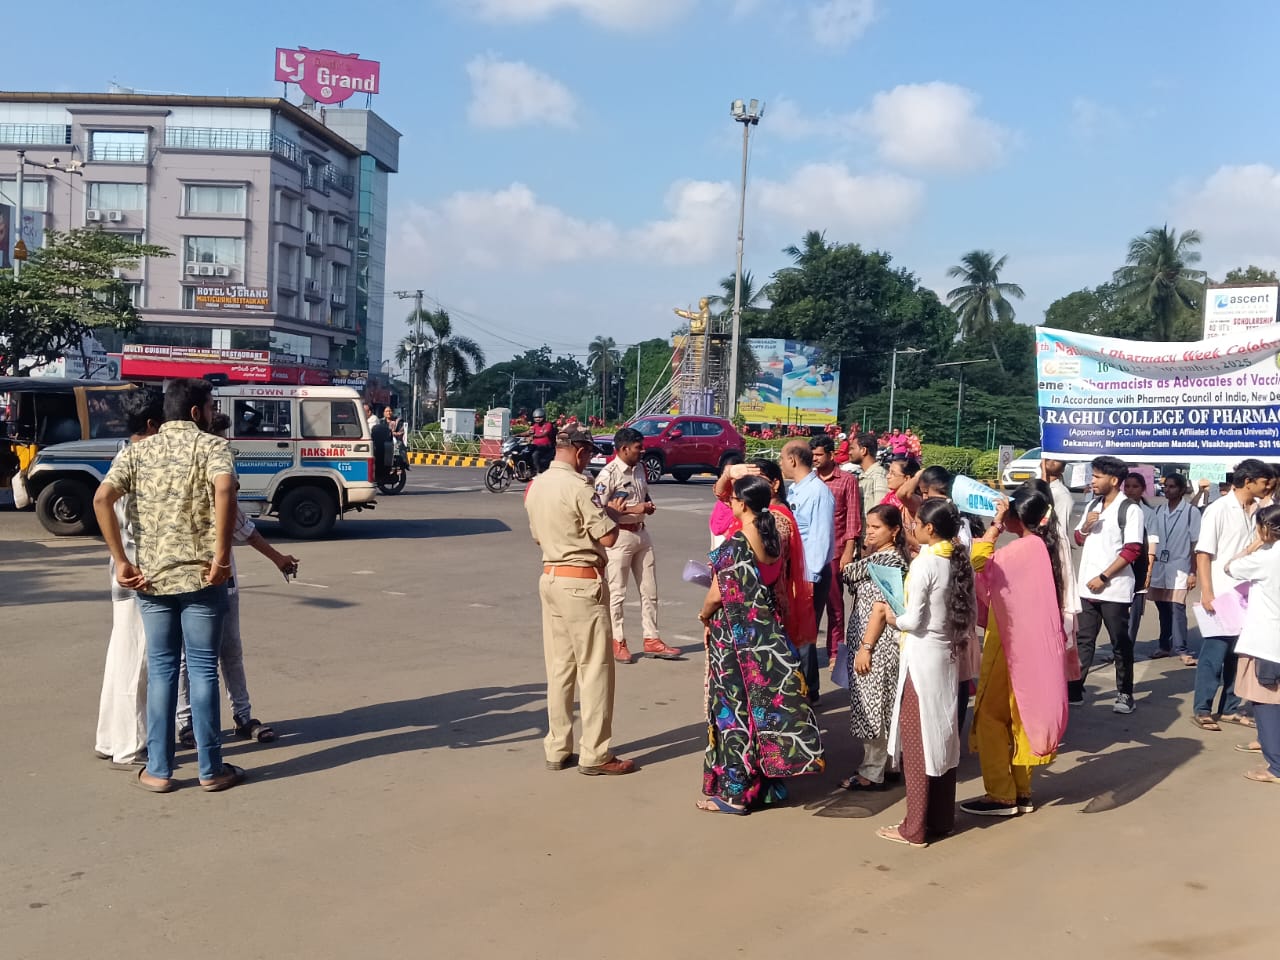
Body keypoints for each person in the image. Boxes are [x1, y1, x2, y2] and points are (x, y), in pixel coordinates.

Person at [92, 378, 245, 794]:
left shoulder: (138, 451)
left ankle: (159, 769)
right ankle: (211, 769)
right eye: (211, 407)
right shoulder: (212, 447)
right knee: (202, 669)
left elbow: (102, 499)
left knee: (162, 671)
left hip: (152, 579)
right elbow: (225, 488)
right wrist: (222, 557)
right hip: (203, 577)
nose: (213, 414)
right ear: (196, 412)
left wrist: (122, 561)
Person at [696, 474, 825, 813]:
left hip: (734, 636)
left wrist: (704, 614)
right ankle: (766, 786)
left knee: (733, 710)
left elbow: (717, 594)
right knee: (761, 707)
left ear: (742, 503)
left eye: (733, 498)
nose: (730, 502)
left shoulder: (737, 543)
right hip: (765, 631)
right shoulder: (772, 538)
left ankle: (735, 793)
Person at [174, 412, 299, 748]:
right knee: (189, 657)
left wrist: (278, 559)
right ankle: (187, 724)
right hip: (189, 581)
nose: (225, 447)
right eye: (220, 440)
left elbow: (243, 525)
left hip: (223, 581)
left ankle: (242, 716)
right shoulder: (189, 479)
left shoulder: (222, 473)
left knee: (230, 650)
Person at [524, 423, 635, 776]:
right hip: (581, 582)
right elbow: (608, 538)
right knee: (595, 669)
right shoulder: (578, 486)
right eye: (587, 455)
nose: (587, 462)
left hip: (551, 577)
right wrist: (612, 515)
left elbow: (539, 538)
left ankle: (557, 747)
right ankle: (595, 753)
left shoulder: (537, 485)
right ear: (580, 451)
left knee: (559, 669)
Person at [961, 485, 1069, 817]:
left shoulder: (1022, 549)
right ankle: (1021, 791)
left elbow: (978, 561)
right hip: (1031, 648)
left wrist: (994, 525)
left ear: (1016, 516)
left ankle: (1000, 794)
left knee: (991, 717)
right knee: (1021, 716)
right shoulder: (1042, 547)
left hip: (1010, 645)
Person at [877, 499, 975, 847]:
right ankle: (940, 819)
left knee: (918, 742)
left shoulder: (925, 563)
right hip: (946, 656)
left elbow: (914, 620)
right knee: (943, 738)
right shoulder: (957, 559)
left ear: (929, 529)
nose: (911, 527)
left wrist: (892, 618)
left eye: (916, 522)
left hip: (922, 659)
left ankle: (914, 827)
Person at [94, 388, 164, 768]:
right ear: (152, 425)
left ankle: (111, 737)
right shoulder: (136, 458)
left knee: (123, 653)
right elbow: (101, 500)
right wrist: (123, 560)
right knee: (138, 658)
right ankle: (130, 744)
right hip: (136, 571)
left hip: (126, 569)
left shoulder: (124, 453)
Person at [1191, 459, 1272, 732]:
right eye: (1264, 482)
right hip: (1222, 592)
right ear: (1248, 481)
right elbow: (1204, 554)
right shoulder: (1218, 509)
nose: (1268, 487)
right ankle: (1203, 708)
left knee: (1239, 656)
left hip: (1249, 594)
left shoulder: (1258, 511)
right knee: (1214, 654)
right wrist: (1207, 591)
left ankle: (1229, 708)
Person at [594, 426, 680, 664]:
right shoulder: (608, 474)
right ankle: (617, 641)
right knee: (617, 593)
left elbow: (644, 494)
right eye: (637, 448)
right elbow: (598, 509)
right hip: (619, 536)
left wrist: (647, 505)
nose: (642, 451)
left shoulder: (640, 468)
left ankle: (652, 638)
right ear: (623, 449)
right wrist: (634, 508)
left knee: (649, 590)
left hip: (641, 533)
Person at [839, 504, 910, 791]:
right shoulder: (876, 559)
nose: (869, 532)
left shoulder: (888, 564)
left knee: (874, 707)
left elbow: (880, 609)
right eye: (868, 526)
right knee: (885, 704)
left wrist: (866, 647)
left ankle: (871, 771)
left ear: (894, 531)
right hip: (872, 641)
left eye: (876, 527)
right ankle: (889, 765)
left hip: (878, 644)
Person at [1068, 455, 1144, 713]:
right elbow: (1078, 539)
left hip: (1114, 589)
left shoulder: (1130, 509)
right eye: (1093, 475)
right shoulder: (1093, 504)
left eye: (1097, 476)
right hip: (1086, 587)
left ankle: (1125, 693)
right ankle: (1075, 689)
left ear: (1113, 480)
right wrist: (1086, 527)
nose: (1092, 481)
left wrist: (1103, 577)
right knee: (1084, 640)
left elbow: (1132, 550)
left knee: (1120, 643)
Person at [1223, 504, 1280, 783]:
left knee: (1266, 702)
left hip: (1267, 642)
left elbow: (1230, 567)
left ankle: (1276, 767)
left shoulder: (1266, 558)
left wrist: (1255, 545)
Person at [780, 440, 835, 703]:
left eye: (782, 458)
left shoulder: (818, 493)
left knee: (803, 634)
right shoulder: (796, 490)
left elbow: (820, 539)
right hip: (796, 572)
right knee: (796, 631)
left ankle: (808, 693)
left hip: (810, 574)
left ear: (792, 460)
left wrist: (810, 578)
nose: (781, 464)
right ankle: (802, 686)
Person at [810, 434, 863, 665]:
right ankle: (808, 649)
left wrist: (848, 551)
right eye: (812, 455)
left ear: (831, 455)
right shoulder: (810, 480)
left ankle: (835, 652)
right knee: (809, 605)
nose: (815, 459)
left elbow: (852, 517)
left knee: (835, 605)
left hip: (835, 551)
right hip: (811, 552)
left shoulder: (847, 480)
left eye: (819, 455)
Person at [1147, 473, 1201, 664]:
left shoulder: (1191, 512)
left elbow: (1195, 544)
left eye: (1172, 486)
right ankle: (1164, 645)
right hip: (1159, 567)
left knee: (1177, 608)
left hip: (1180, 566)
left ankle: (1182, 649)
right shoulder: (1158, 510)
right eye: (1166, 486)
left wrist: (1193, 572)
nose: (1167, 490)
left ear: (1181, 489)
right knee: (1163, 608)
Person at [1121, 472, 1157, 653]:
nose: (1130, 490)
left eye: (1135, 486)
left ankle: (1127, 650)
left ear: (1143, 489)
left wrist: (1148, 572)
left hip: (1138, 567)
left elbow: (1152, 544)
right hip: (1119, 567)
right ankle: (1118, 650)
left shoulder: (1148, 513)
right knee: (1118, 614)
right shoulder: (1118, 509)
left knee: (1133, 615)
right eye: (1127, 486)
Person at [709, 452, 744, 548]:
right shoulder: (724, 494)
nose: (729, 479)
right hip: (718, 533)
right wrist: (726, 475)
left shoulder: (743, 493)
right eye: (725, 474)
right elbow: (718, 492)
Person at [1040, 458, 1077, 545]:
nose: (1050, 460)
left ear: (1063, 469)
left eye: (1057, 459)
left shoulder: (1062, 493)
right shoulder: (1036, 485)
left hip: (1051, 544)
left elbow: (1061, 529)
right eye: (1048, 457)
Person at [853, 432, 888, 522]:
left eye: (852, 448)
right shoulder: (863, 474)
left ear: (863, 450)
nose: (849, 452)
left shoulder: (878, 475)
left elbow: (880, 510)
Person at [528, 408, 556, 474]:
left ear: (544, 417)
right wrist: (517, 435)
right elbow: (529, 432)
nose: (537, 419)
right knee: (524, 451)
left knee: (535, 454)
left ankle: (538, 471)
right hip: (536, 446)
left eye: (540, 417)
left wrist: (534, 436)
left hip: (546, 447)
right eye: (536, 417)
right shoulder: (535, 425)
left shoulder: (548, 425)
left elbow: (544, 434)